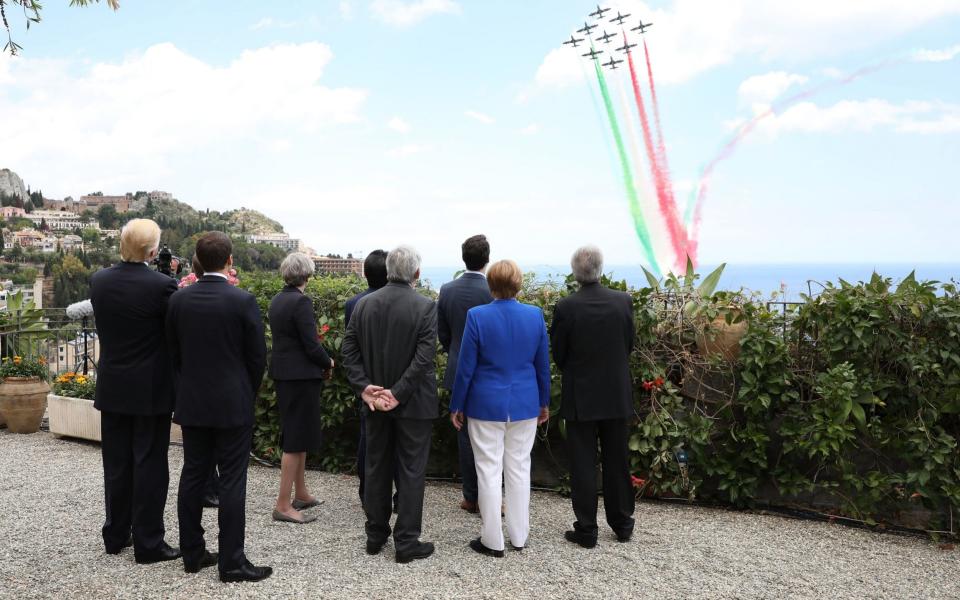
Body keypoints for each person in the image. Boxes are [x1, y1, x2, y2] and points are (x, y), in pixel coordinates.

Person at [166, 232, 272, 582]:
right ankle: (231, 561)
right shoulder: (242, 300)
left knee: (193, 473)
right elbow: (257, 358)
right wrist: (247, 392)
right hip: (232, 403)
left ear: (196, 259)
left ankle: (192, 553)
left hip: (193, 402)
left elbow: (174, 355)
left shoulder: (179, 301)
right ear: (230, 260)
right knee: (232, 480)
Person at [90, 218, 181, 564]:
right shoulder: (162, 286)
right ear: (153, 250)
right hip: (151, 389)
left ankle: (115, 534)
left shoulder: (99, 281)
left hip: (113, 385)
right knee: (150, 465)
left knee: (116, 464)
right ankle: (148, 542)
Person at [342, 245, 438, 564]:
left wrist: (365, 389)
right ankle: (407, 541)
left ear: (387, 272)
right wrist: (398, 392)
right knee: (411, 471)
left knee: (376, 466)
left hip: (375, 403)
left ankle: (375, 534)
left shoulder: (364, 305)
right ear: (417, 274)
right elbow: (424, 358)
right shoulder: (425, 306)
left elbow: (349, 352)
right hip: (413, 404)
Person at [449, 260, 550, 557]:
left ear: (491, 284)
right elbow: (542, 365)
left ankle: (492, 540)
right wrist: (544, 401)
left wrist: (457, 404)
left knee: (488, 470)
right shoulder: (535, 315)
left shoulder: (477, 316)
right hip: (524, 402)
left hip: (485, 403)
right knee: (519, 468)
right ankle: (520, 536)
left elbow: (466, 367)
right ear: (518, 283)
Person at [551, 245, 636, 548]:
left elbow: (559, 354)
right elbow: (629, 344)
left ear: (575, 271)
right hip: (615, 393)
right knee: (618, 460)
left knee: (583, 464)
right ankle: (623, 523)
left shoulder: (566, 307)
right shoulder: (623, 302)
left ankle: (586, 529)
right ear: (601, 268)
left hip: (581, 394)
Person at [268, 252, 334, 524]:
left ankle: (302, 493)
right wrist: (328, 360)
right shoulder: (301, 302)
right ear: (307, 274)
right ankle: (283, 504)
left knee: (298, 435)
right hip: (301, 377)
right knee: (295, 441)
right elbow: (311, 344)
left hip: (285, 375)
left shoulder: (277, 300)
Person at [437, 235, 494, 514]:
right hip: (489, 371)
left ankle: (471, 496)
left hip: (459, 367)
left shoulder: (447, 290)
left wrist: (457, 354)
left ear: (464, 258)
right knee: (493, 436)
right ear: (487, 258)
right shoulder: (493, 291)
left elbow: (443, 335)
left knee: (465, 435)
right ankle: (491, 496)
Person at [344, 249, 388, 502]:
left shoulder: (354, 303)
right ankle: (392, 495)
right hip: (392, 377)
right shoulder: (396, 300)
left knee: (367, 436)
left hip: (364, 378)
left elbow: (350, 344)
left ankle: (366, 491)